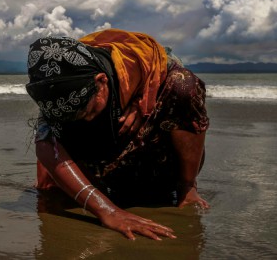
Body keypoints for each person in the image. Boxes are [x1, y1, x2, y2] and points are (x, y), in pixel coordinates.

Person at [25, 28, 210, 241]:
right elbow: (46, 144)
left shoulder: (150, 63)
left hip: (155, 165)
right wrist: (108, 211)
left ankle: (187, 188)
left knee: (183, 84)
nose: (84, 120)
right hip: (102, 173)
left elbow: (183, 97)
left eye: (87, 111)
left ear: (101, 82)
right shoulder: (58, 87)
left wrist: (144, 99)